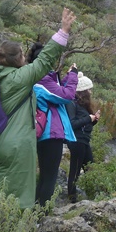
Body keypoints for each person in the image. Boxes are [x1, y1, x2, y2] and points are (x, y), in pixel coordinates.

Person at [0, 8, 76, 208]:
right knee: (13, 201)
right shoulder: (21, 78)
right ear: (19, 59)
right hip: (11, 145)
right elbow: (45, 59)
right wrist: (63, 30)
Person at [32, 54, 78, 207]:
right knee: (50, 176)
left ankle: (36, 211)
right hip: (50, 133)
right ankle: (42, 214)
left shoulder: (37, 78)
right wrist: (73, 76)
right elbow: (67, 95)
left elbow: (57, 92)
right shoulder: (42, 80)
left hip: (44, 133)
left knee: (45, 174)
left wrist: (66, 77)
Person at [65, 72, 99, 203]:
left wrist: (94, 119)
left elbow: (86, 124)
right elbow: (72, 124)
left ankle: (92, 194)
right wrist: (88, 118)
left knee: (90, 167)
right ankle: (72, 198)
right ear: (83, 91)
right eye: (89, 89)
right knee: (76, 169)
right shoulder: (72, 104)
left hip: (84, 140)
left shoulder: (82, 106)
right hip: (76, 140)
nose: (91, 92)